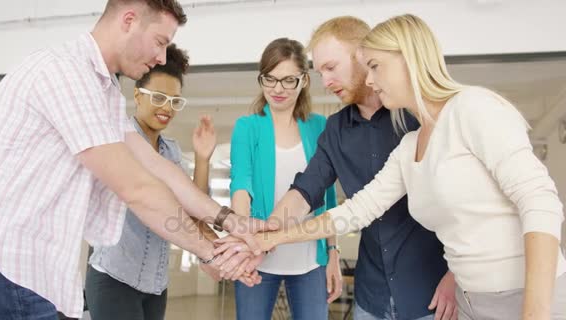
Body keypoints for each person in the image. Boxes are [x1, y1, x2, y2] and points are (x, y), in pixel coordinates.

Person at [216, 13, 566, 320]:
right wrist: (270, 237)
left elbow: (539, 201)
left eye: (374, 67)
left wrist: (530, 311)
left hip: (496, 296)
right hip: (436, 298)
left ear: (397, 59)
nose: (369, 80)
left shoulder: (470, 108)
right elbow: (352, 209)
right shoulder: (406, 146)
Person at [0, 1, 268, 318]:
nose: (162, 58)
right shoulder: (65, 73)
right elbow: (136, 187)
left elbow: (160, 170)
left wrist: (231, 221)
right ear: (129, 20)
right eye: (161, 41)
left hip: (30, 277)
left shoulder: (103, 95)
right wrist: (211, 252)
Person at [217, 17, 455, 320]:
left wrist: (455, 273)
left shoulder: (415, 118)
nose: (326, 82)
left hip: (431, 291)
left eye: (331, 67)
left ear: (362, 55)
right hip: (372, 296)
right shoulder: (336, 129)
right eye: (320, 72)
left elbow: (459, 203)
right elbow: (306, 191)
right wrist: (260, 238)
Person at [85, 44, 219, 320]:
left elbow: (193, 209)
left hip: (156, 283)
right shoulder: (117, 138)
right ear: (137, 95)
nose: (167, 108)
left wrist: (203, 158)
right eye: (158, 97)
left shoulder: (170, 150)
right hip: (114, 276)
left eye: (174, 101)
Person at [228, 37, 339, 320]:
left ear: (303, 81)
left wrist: (333, 252)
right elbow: (241, 185)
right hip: (258, 255)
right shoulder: (248, 127)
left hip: (310, 260)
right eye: (270, 79)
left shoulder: (319, 126)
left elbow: (328, 197)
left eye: (288, 80)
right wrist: (244, 243)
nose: (277, 89)